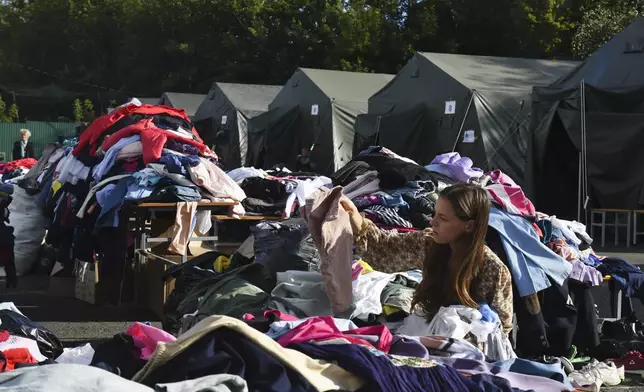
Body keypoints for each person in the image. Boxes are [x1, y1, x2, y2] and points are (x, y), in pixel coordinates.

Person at [340, 183, 513, 333]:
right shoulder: (429, 243)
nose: (432, 222)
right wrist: (357, 220)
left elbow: (501, 330)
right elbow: (386, 248)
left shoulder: (494, 271)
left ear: (469, 226)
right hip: (427, 328)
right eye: (435, 214)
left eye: (443, 218)